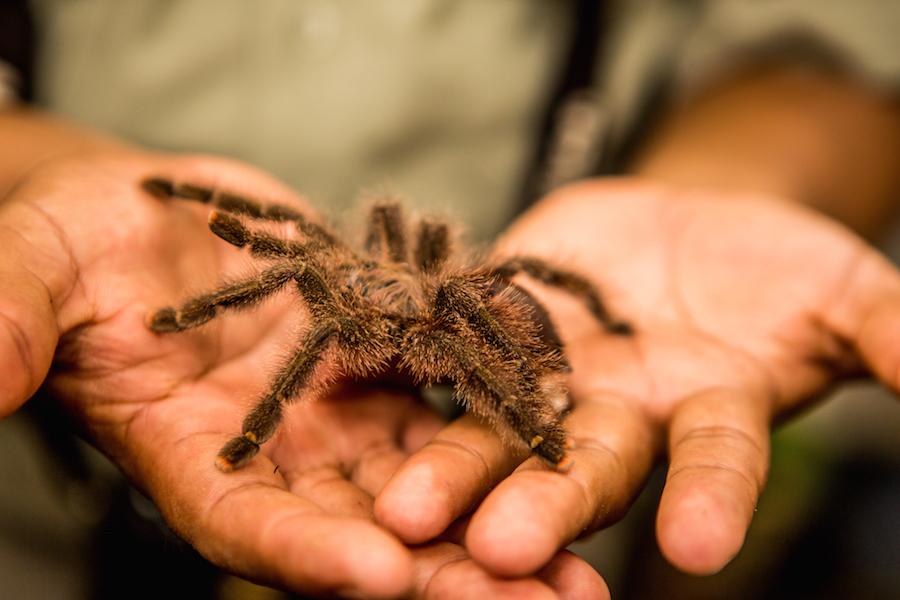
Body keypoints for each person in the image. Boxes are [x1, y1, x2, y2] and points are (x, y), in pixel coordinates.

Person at [2, 2, 900, 599]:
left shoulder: (451, 306)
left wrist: (546, 428)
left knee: (468, 316)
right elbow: (288, 250)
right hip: (36, 547)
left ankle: (538, 434)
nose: (343, 284)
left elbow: (839, 52)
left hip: (499, 407)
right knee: (294, 246)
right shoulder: (343, 278)